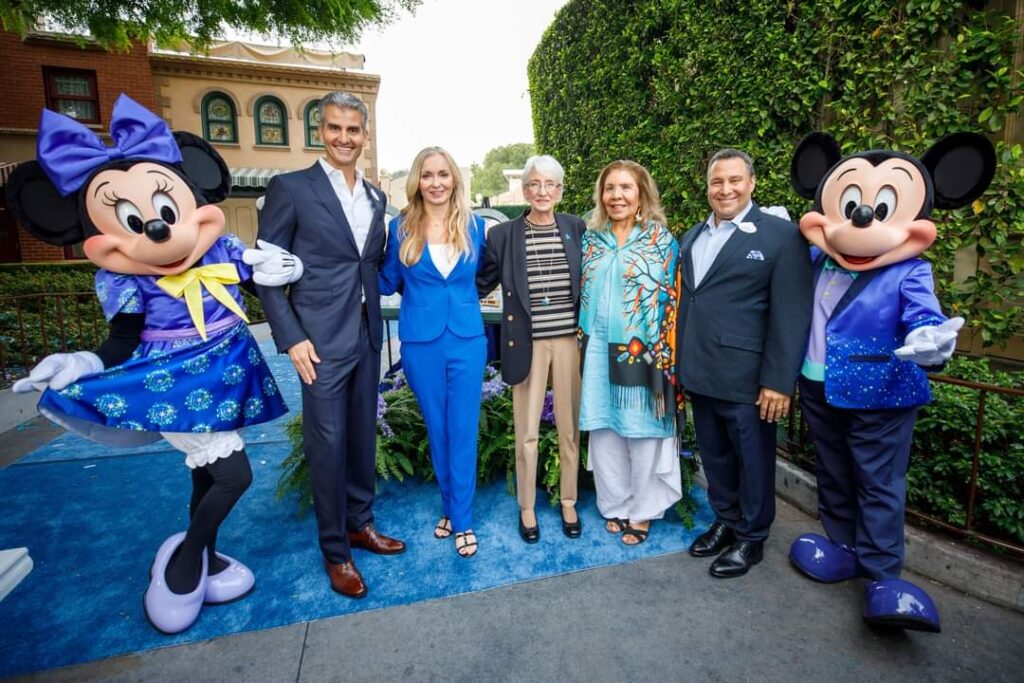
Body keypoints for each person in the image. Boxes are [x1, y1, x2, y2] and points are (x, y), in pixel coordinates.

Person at [256, 91, 405, 600]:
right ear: (320, 131)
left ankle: (361, 525)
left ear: (365, 135)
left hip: (367, 335)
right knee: (328, 443)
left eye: (353, 129)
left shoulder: (376, 197)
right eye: (335, 128)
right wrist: (292, 336)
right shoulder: (290, 188)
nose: (345, 137)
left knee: (362, 436)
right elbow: (266, 274)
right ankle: (336, 550)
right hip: (317, 341)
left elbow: (370, 264)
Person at [676, 148, 813, 578]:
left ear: (751, 183)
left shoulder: (782, 236)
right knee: (715, 457)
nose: (725, 189)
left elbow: (791, 315)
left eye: (734, 180)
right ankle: (726, 520)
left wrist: (778, 381)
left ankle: (752, 537)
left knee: (752, 462)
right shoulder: (692, 236)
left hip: (749, 379)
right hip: (700, 371)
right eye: (717, 182)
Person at [379, 146, 487, 558]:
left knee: (463, 428)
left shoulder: (475, 226)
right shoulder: (400, 226)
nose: (436, 182)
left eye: (443, 174)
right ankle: (449, 507)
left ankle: (462, 519)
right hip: (421, 342)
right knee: (438, 428)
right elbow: (386, 280)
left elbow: (484, 275)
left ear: (454, 178)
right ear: (417, 181)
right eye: (428, 175)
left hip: (466, 339)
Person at [477, 155, 586, 543]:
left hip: (568, 342)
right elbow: (479, 284)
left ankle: (569, 500)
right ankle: (527, 507)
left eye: (550, 184)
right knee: (526, 432)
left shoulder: (576, 227)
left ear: (560, 190)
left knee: (569, 428)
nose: (543, 191)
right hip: (527, 343)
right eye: (535, 184)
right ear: (525, 190)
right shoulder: (502, 236)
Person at [578, 160, 683, 546]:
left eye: (626, 188)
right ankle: (616, 503)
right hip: (595, 348)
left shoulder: (661, 241)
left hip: (645, 353)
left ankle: (642, 511)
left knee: (642, 432)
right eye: (610, 188)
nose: (617, 195)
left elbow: (672, 301)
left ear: (641, 195)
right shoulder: (591, 240)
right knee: (605, 428)